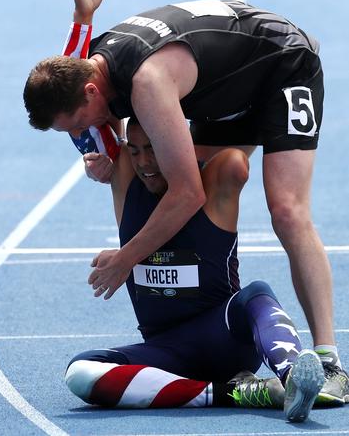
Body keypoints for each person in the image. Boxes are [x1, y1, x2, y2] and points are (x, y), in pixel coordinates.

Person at [23, 0, 348, 403]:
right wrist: (82, 14)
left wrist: (125, 259)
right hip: (221, 92)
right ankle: (223, 361)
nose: (81, 136)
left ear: (93, 91)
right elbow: (69, 68)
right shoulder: (85, 71)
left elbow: (188, 194)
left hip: (280, 66)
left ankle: (331, 362)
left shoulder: (147, 85)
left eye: (79, 125)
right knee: (158, 166)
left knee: (286, 210)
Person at [65, 119, 327, 422]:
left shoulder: (215, 184)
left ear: (176, 146)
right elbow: (89, 103)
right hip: (168, 353)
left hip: (226, 338)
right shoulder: (126, 180)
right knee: (81, 372)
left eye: (153, 149)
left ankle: (293, 375)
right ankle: (236, 392)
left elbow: (235, 161)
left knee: (257, 293)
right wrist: (95, 158)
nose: (144, 163)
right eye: (135, 152)